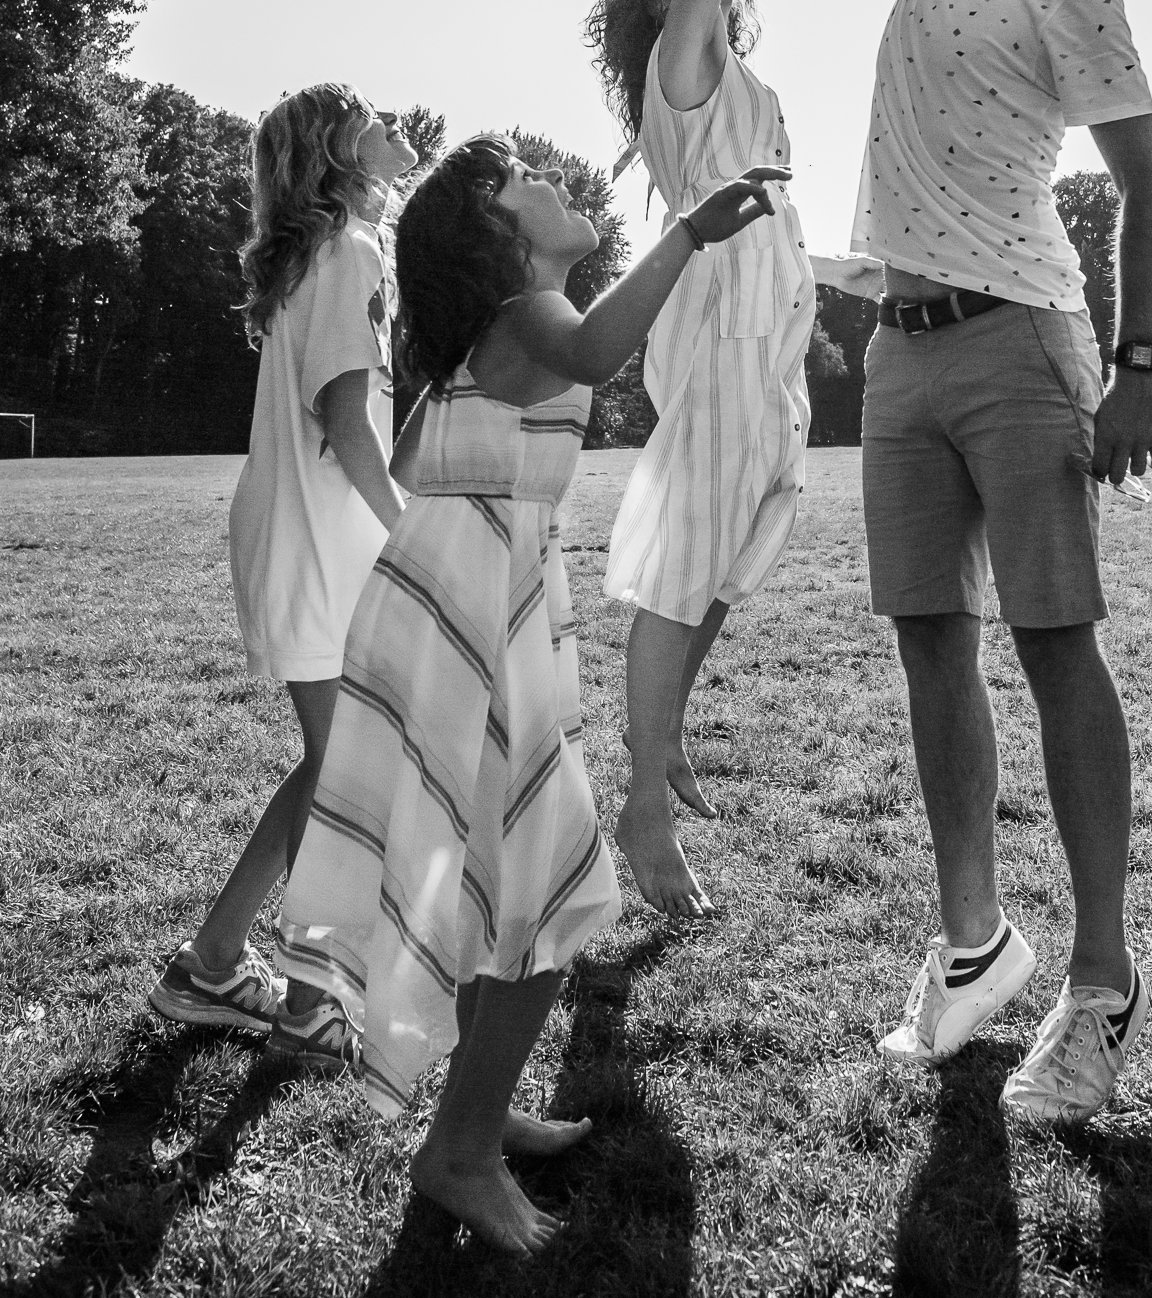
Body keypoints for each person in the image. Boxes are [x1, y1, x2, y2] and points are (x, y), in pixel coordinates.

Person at [276, 134, 788, 1257]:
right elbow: (600, 346)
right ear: (495, 233)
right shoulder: (526, 316)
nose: (555, 181)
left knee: (492, 873)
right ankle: (457, 1154)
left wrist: (483, 526)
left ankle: (479, 1107)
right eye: (525, 179)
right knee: (549, 879)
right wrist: (689, 232)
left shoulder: (490, 340)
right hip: (471, 611)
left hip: (458, 598)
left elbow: (410, 464)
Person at [841, 0, 1152, 1124]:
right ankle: (976, 952)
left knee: (1054, 649)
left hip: (1022, 343)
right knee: (931, 646)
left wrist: (1142, 366)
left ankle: (1100, 988)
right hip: (894, 355)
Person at [585, 0, 843, 920]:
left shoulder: (745, 81)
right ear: (662, 2)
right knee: (685, 571)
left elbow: (778, 216)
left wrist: (856, 272)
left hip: (770, 344)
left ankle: (666, 734)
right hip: (723, 338)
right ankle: (642, 805)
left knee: (736, 557)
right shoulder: (680, 64)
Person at [150, 83, 416, 1062]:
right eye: (372, 116)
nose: (395, 125)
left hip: (306, 537)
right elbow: (345, 423)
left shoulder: (335, 251)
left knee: (329, 764)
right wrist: (413, 534)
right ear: (338, 153)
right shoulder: (346, 253)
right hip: (315, 544)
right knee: (345, 774)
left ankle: (212, 963)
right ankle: (308, 1003)